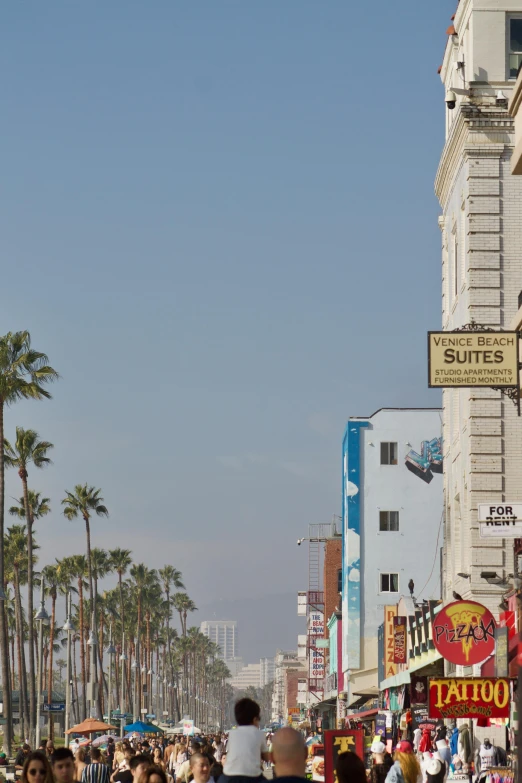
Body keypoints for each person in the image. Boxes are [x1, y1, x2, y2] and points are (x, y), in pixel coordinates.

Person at [223, 698, 270, 781]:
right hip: (252, 776)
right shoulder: (258, 733)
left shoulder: (233, 733)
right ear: (255, 719)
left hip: (228, 776)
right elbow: (266, 757)